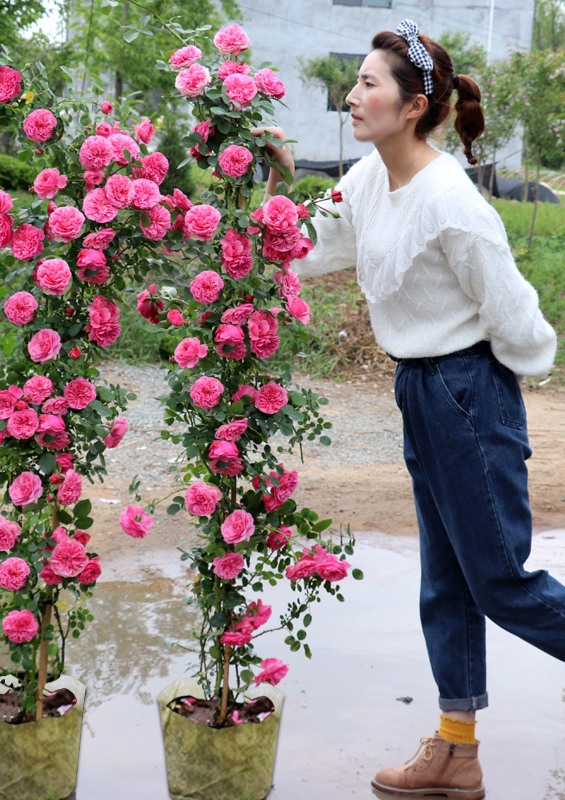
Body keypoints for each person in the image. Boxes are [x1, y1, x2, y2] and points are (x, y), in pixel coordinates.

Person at [257, 19, 564, 800]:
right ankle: (457, 755)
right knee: (447, 581)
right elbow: (303, 243)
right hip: (421, 390)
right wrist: (277, 177)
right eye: (355, 81)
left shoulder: (451, 205)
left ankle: (457, 750)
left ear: (414, 104)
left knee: (500, 583)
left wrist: (499, 378)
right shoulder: (368, 180)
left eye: (368, 84)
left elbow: (522, 320)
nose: (350, 95)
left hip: (467, 392)